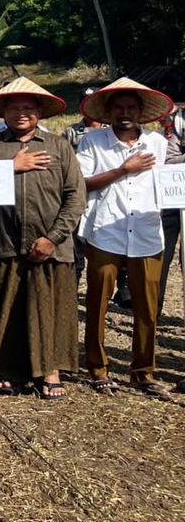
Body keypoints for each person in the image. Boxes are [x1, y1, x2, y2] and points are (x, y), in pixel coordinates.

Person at [0, 77, 85, 401]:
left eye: (28, 107)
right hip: (9, 243)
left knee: (51, 308)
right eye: (14, 107)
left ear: (39, 112)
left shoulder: (59, 147)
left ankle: (49, 369)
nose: (21, 113)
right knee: (9, 308)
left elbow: (75, 197)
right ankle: (9, 369)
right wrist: (10, 166)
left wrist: (52, 238)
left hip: (53, 246)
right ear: (4, 112)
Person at [74, 77, 173, 398]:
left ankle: (143, 372)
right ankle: (98, 368)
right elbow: (81, 183)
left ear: (142, 112)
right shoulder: (93, 142)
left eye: (131, 107)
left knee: (147, 307)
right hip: (105, 231)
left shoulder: (158, 143)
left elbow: (171, 183)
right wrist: (123, 169)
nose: (125, 113)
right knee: (98, 302)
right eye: (119, 108)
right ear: (109, 111)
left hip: (147, 233)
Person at [157, 94, 184, 327]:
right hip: (172, 201)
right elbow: (167, 158)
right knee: (161, 257)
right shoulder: (177, 123)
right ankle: (152, 312)